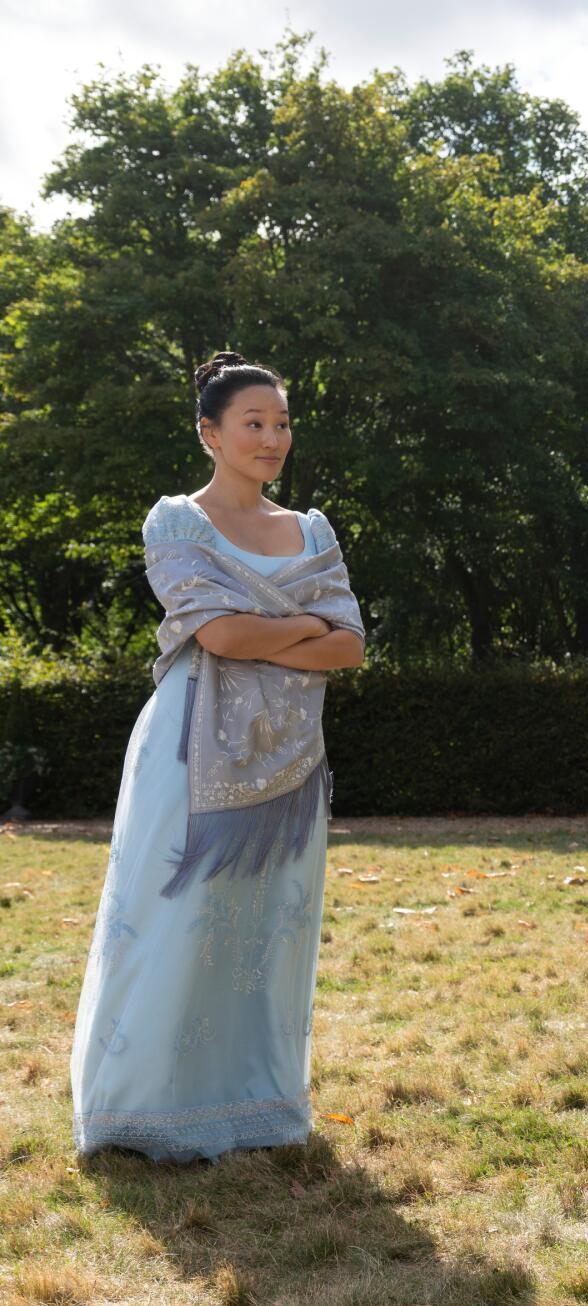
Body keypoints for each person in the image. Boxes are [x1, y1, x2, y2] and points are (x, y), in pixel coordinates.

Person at [70, 352, 365, 1162]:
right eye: (254, 422)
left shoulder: (311, 530)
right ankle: (141, 1114)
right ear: (211, 432)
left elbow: (352, 647)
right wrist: (304, 626)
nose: (273, 437)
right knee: (173, 921)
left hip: (291, 759)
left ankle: (255, 1104)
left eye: (281, 423)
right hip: (187, 748)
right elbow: (221, 634)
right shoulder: (175, 521)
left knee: (267, 930)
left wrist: (281, 633)